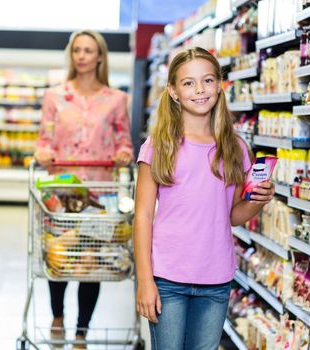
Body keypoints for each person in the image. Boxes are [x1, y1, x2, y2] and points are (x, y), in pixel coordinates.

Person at [133, 47, 275, 350]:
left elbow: (231, 215)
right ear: (172, 91)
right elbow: (143, 216)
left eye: (208, 80)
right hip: (167, 277)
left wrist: (257, 201)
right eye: (188, 83)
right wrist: (145, 281)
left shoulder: (235, 147)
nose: (200, 90)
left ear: (220, 84)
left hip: (216, 277)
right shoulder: (159, 146)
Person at [34, 29, 133, 347]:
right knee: (59, 256)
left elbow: (125, 143)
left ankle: (82, 330)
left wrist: (123, 156)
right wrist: (43, 153)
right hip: (61, 192)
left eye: (89, 50)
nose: (82, 56)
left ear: (100, 57)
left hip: (99, 194)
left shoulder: (116, 99)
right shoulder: (54, 96)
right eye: (76, 50)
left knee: (90, 262)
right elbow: (44, 140)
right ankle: (57, 317)